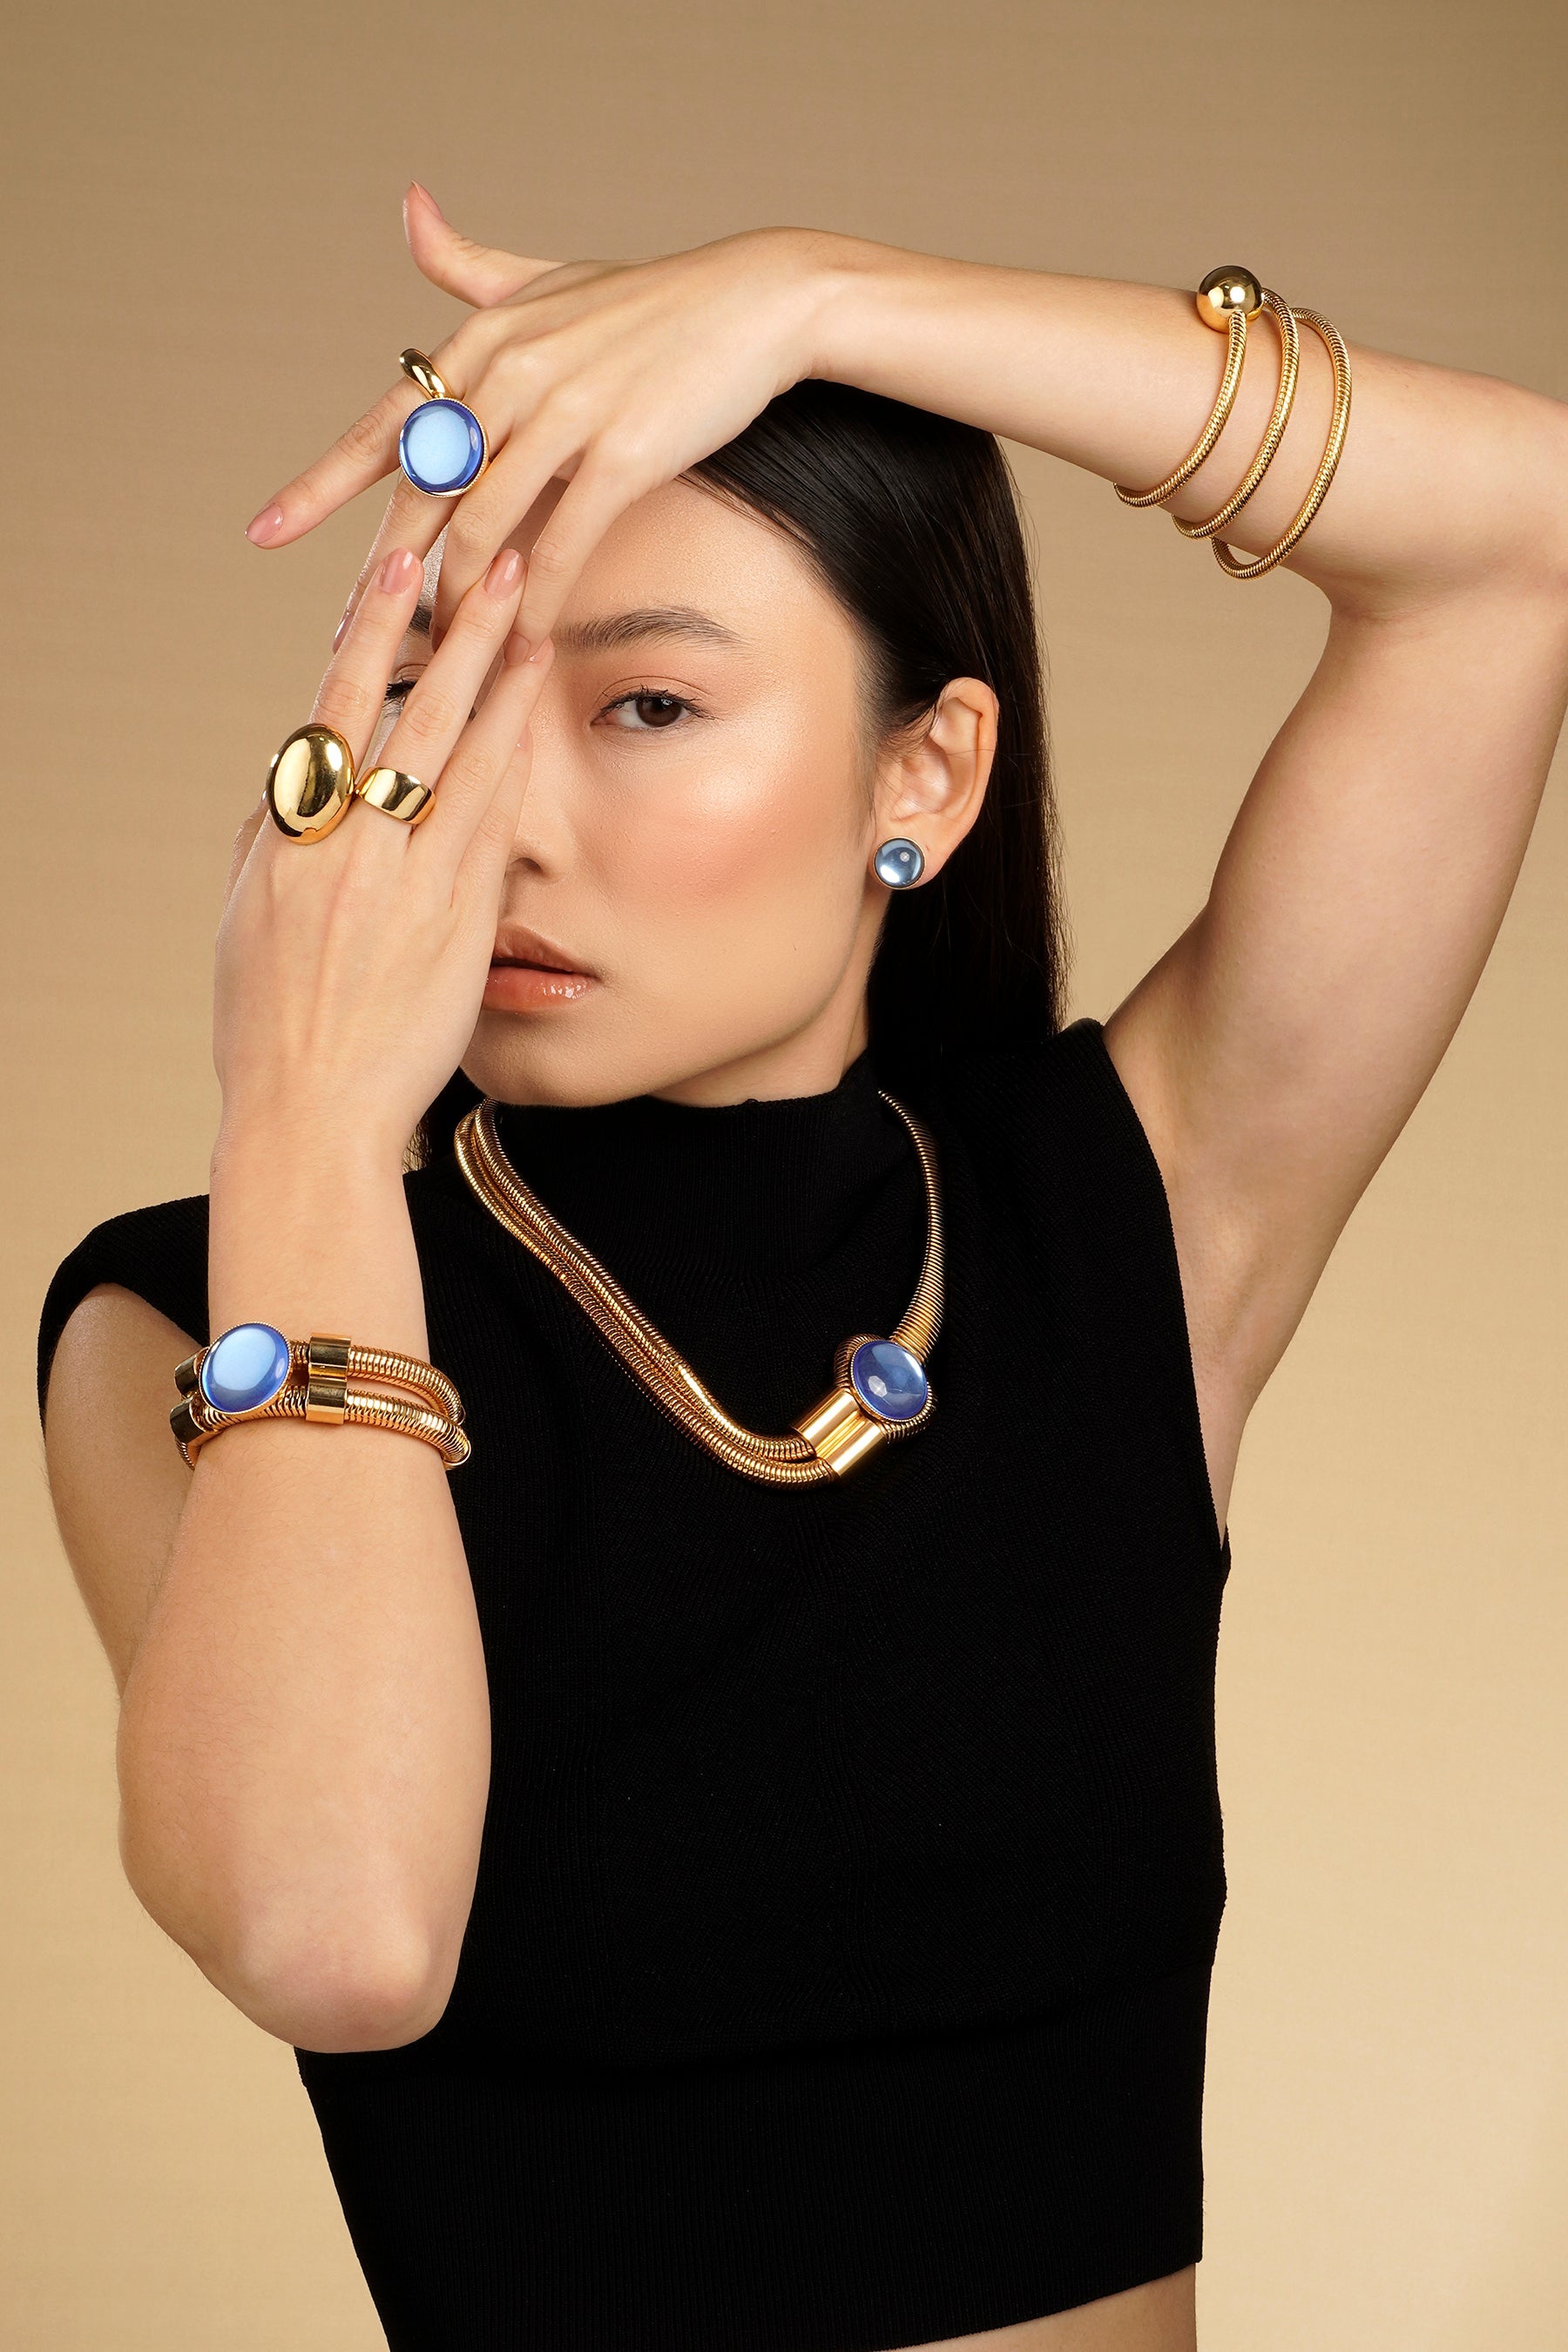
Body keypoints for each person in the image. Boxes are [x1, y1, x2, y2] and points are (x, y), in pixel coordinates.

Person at [37, 190, 1568, 2352]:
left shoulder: (1122, 1216)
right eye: (440, 685)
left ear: (923, 773)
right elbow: (335, 1935)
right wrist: (295, 1107)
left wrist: (825, 296)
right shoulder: (196, 1316)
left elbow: (1517, 538)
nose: (504, 820)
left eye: (648, 703)